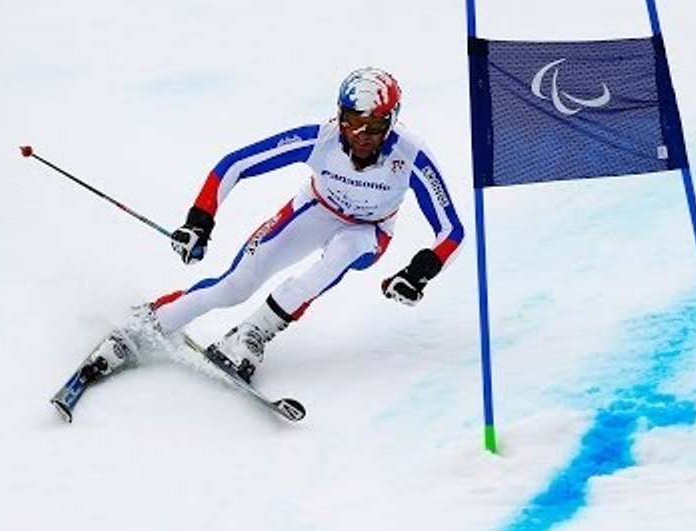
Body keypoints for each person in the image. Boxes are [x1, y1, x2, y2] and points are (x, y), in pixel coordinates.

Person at [81, 67, 465, 386]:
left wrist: (418, 274)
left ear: (393, 120)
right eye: (352, 122)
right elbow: (235, 164)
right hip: (314, 209)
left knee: (339, 257)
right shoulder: (321, 139)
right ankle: (143, 326)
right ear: (339, 116)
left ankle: (252, 334)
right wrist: (200, 220)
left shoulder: (410, 155)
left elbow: (452, 231)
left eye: (375, 125)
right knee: (234, 286)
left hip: (368, 231)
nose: (361, 136)